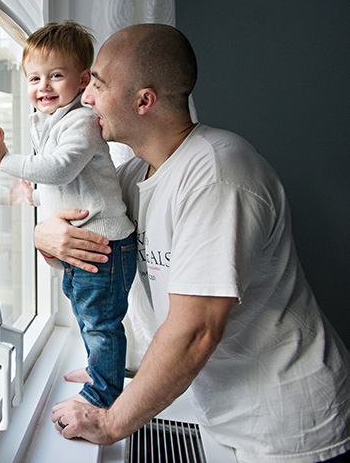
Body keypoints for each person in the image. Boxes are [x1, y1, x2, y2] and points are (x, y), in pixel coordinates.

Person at [39, 23, 350, 462]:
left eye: (98, 84)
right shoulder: (131, 177)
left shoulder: (219, 175)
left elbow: (196, 331)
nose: (85, 97)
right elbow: (93, 253)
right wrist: (44, 235)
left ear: (144, 100)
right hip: (223, 411)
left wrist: (110, 422)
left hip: (290, 427)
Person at [0, 20, 136, 409]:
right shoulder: (48, 121)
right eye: (34, 78)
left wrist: (6, 160)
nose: (44, 87)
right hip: (84, 247)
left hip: (103, 245)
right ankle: (97, 369)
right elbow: (64, 186)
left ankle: (103, 394)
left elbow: (60, 168)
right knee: (85, 313)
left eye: (56, 76)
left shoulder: (82, 121)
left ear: (84, 79)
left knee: (101, 323)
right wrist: (33, 196)